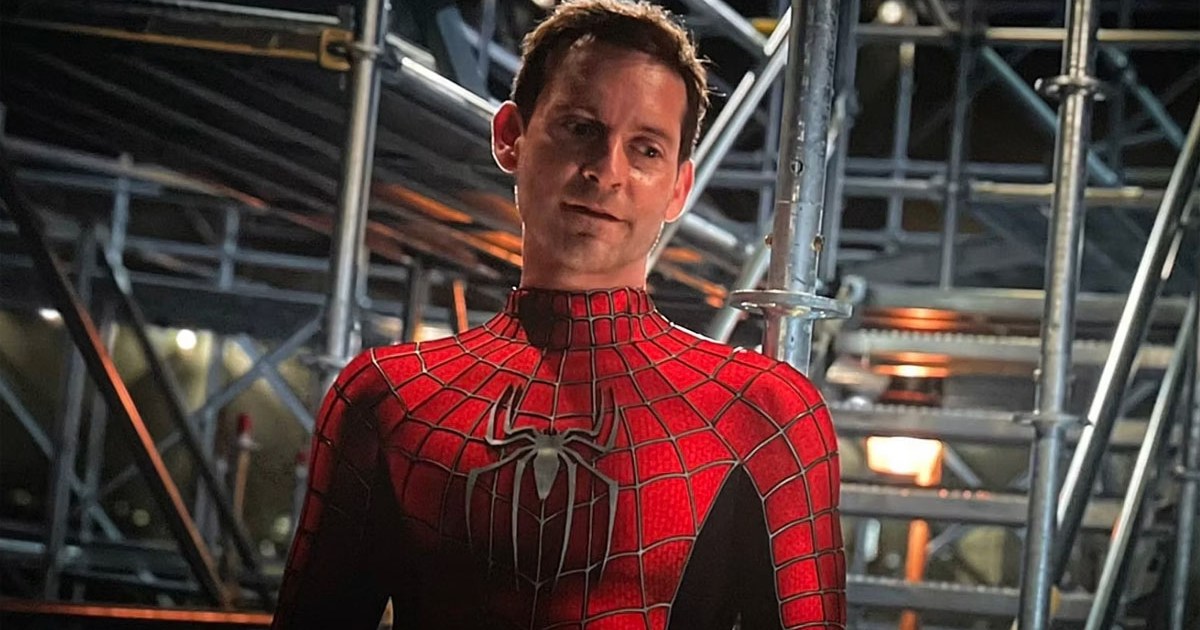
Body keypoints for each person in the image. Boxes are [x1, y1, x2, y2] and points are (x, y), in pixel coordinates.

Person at [272, 1, 846, 627]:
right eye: (580, 128)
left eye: (646, 149)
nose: (607, 172)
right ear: (510, 137)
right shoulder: (385, 397)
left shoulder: (762, 413)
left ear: (678, 188)